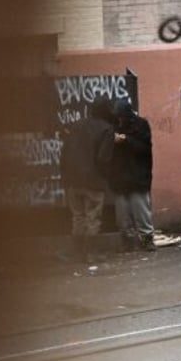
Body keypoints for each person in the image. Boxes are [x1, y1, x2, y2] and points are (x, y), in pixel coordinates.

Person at [60, 95, 116, 262]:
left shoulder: (76, 125)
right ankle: (91, 253)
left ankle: (77, 253)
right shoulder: (106, 129)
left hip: (73, 179)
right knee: (92, 217)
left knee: (78, 216)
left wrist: (65, 176)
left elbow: (65, 152)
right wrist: (106, 176)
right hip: (93, 180)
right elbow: (103, 158)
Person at [108, 98, 155, 252]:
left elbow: (143, 148)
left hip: (134, 174)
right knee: (125, 213)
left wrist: (126, 140)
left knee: (138, 209)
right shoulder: (138, 124)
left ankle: (143, 238)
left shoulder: (138, 125)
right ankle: (134, 239)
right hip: (129, 174)